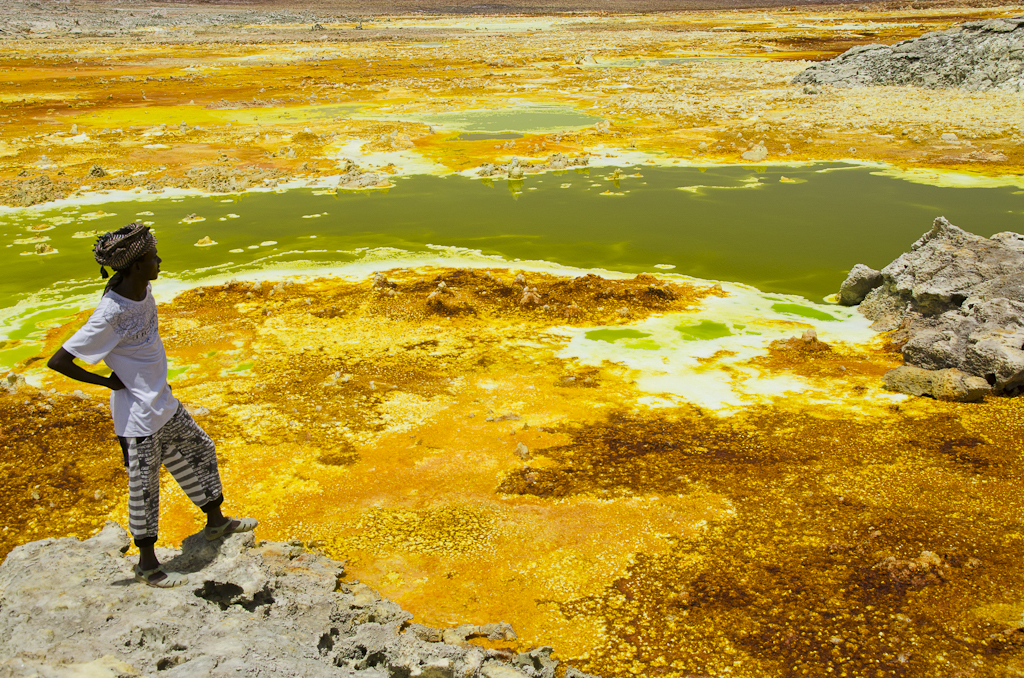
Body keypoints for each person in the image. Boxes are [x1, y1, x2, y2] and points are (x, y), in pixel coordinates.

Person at [47, 222, 256, 588]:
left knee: (200, 451)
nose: (159, 260)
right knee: (144, 489)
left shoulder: (141, 292)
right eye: (152, 256)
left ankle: (215, 522)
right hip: (139, 419)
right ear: (137, 266)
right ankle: (147, 565)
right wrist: (107, 382)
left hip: (164, 403)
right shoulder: (110, 313)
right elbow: (60, 361)